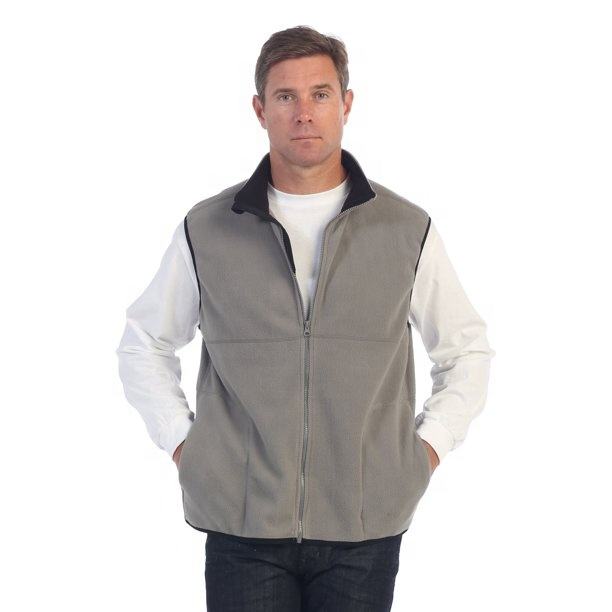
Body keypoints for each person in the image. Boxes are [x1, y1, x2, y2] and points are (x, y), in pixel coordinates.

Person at [116, 25, 495, 612]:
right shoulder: (208, 228)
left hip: (364, 526)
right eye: (285, 96)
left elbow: (466, 350)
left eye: (320, 94)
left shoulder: (404, 228)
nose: (304, 113)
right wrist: (185, 444)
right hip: (242, 526)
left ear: (346, 103)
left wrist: (423, 452)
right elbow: (144, 342)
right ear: (259, 109)